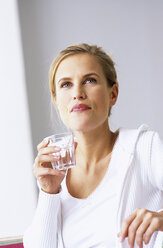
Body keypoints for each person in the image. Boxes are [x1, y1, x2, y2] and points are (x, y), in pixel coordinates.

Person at [23, 43, 163, 248]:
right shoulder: (55, 169)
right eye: (66, 84)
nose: (77, 93)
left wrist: (161, 218)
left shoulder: (143, 147)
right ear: (56, 100)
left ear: (113, 94)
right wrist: (48, 192)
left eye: (89, 80)